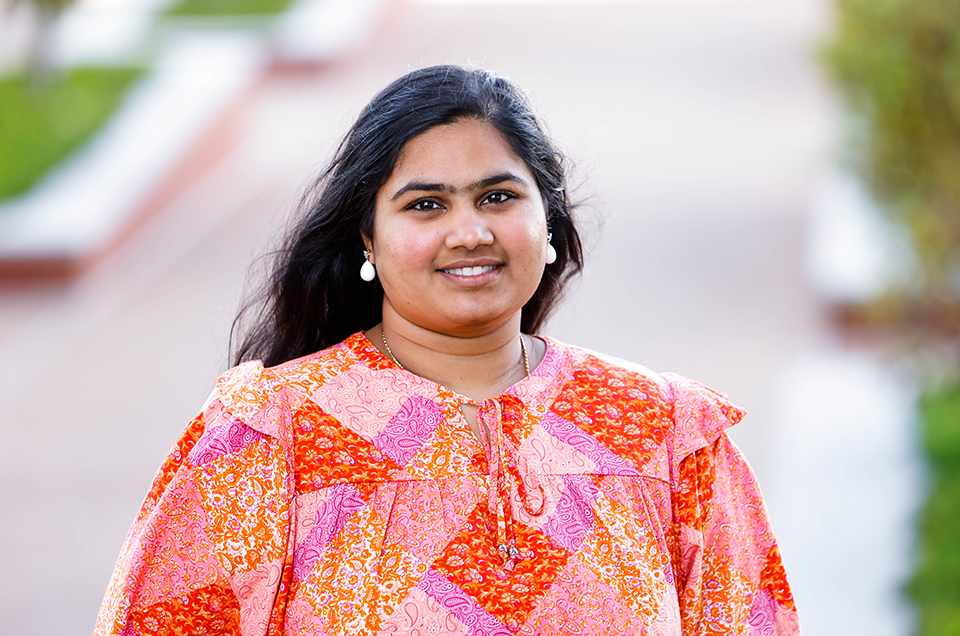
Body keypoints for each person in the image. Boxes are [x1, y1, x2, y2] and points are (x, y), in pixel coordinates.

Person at [95, 65, 800, 635]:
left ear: (548, 222)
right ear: (366, 238)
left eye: (497, 197)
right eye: (425, 205)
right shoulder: (268, 436)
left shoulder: (667, 431)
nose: (469, 232)